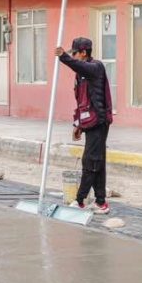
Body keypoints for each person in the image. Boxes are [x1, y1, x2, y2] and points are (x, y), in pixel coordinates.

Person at [55, 38, 113, 214]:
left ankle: (80, 200)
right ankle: (101, 202)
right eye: (72, 53)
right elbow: (81, 101)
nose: (73, 56)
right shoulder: (80, 75)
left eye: (75, 53)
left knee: (90, 161)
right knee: (97, 162)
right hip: (88, 121)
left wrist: (64, 57)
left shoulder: (95, 67)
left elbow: (80, 66)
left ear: (84, 53)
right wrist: (77, 123)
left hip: (99, 121)